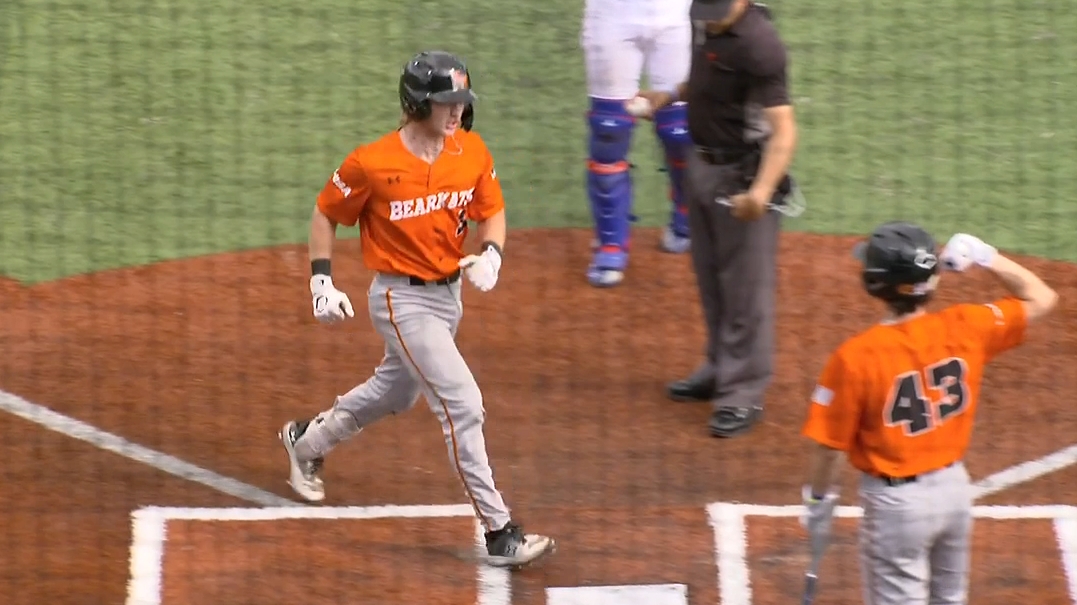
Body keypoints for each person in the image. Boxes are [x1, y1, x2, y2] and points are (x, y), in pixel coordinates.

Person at [277, 50, 555, 569]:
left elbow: (491, 212)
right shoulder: (372, 162)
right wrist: (321, 282)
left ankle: (306, 440)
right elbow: (324, 214)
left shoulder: (470, 152)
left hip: (449, 297)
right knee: (463, 405)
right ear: (418, 102)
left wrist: (492, 255)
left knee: (396, 392)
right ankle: (499, 531)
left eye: (461, 102)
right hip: (399, 299)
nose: (457, 112)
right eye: (447, 102)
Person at [799, 222, 1058, 604]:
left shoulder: (856, 357)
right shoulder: (966, 325)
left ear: (875, 283)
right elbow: (1042, 297)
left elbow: (827, 448)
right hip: (954, 492)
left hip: (897, 509)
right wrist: (986, 255)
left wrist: (818, 502)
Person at [633, 0, 799, 437]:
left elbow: (784, 130)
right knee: (710, 278)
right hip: (701, 164)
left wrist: (760, 192)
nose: (709, 14)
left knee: (745, 289)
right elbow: (708, 78)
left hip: (743, 174)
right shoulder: (704, 15)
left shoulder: (760, 44)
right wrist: (669, 95)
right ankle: (718, 367)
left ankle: (742, 393)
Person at [580, 0, 695, 287]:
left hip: (678, 14)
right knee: (609, 130)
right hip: (612, 14)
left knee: (680, 131)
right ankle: (611, 244)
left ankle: (685, 211)